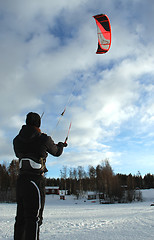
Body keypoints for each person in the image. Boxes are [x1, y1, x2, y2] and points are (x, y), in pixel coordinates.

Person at [13, 112, 67, 240]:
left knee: (20, 218)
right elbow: (57, 152)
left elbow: (18, 153)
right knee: (34, 219)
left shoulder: (16, 140)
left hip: (21, 182)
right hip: (35, 182)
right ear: (38, 124)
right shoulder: (44, 139)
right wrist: (61, 146)